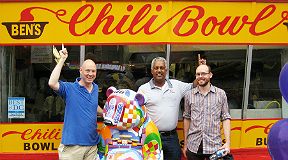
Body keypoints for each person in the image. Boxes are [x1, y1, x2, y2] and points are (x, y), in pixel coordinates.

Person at [137, 57, 205, 160]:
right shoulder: (143, 89)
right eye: (156, 68)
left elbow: (194, 85)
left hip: (171, 137)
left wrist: (201, 69)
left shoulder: (176, 85)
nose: (159, 70)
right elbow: (138, 112)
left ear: (166, 70)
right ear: (152, 71)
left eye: (161, 68)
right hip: (151, 136)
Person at [48, 48, 103, 160]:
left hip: (92, 146)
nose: (90, 74)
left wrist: (106, 114)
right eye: (87, 71)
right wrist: (62, 60)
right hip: (72, 147)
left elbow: (92, 105)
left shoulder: (95, 88)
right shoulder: (70, 88)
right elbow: (52, 83)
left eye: (93, 71)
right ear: (80, 70)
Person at [183, 64, 231, 160]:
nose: (200, 76)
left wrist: (228, 143)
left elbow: (226, 118)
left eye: (203, 73)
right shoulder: (189, 95)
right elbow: (187, 118)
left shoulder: (221, 94)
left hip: (214, 146)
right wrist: (185, 144)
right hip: (193, 146)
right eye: (198, 74)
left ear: (210, 75)